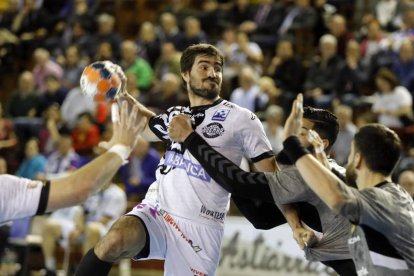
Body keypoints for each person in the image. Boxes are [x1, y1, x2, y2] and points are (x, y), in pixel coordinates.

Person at [75, 43, 279, 276]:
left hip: (200, 226)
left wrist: (293, 221)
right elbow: (147, 121)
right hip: (158, 209)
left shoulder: (241, 118)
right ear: (185, 74)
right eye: (204, 67)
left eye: (217, 68)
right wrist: (121, 92)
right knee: (114, 239)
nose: (212, 73)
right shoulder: (176, 114)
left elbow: (272, 176)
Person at [168, 106, 357, 275]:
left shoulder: (306, 178)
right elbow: (262, 218)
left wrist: (190, 137)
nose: (288, 137)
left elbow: (236, 182)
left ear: (321, 144)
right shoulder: (316, 174)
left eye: (299, 133)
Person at [281, 94, 414, 274]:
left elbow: (337, 196)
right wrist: (324, 166)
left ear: (358, 160)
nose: (347, 161)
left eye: (351, 154)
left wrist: (291, 141)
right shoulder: (395, 196)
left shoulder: (376, 199)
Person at [0, 99, 147, 224]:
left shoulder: (6, 187)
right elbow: (78, 189)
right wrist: (121, 147)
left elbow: (75, 185)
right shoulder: (5, 188)